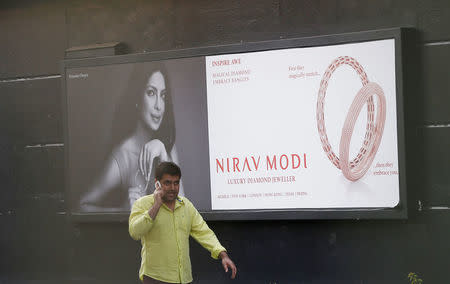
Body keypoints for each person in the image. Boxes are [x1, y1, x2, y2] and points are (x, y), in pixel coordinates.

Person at [80, 62, 183, 212]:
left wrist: (162, 152)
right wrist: (122, 211)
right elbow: (82, 206)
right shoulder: (123, 156)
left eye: (163, 95)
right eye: (151, 93)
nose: (159, 105)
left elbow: (182, 211)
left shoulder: (167, 145)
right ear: (137, 98)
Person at [129, 162, 237, 283]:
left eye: (176, 183)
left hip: (184, 279)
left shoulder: (186, 205)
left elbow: (204, 232)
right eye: (167, 183)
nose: (173, 188)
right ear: (157, 183)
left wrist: (223, 255)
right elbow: (135, 232)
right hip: (156, 278)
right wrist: (156, 206)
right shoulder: (142, 204)